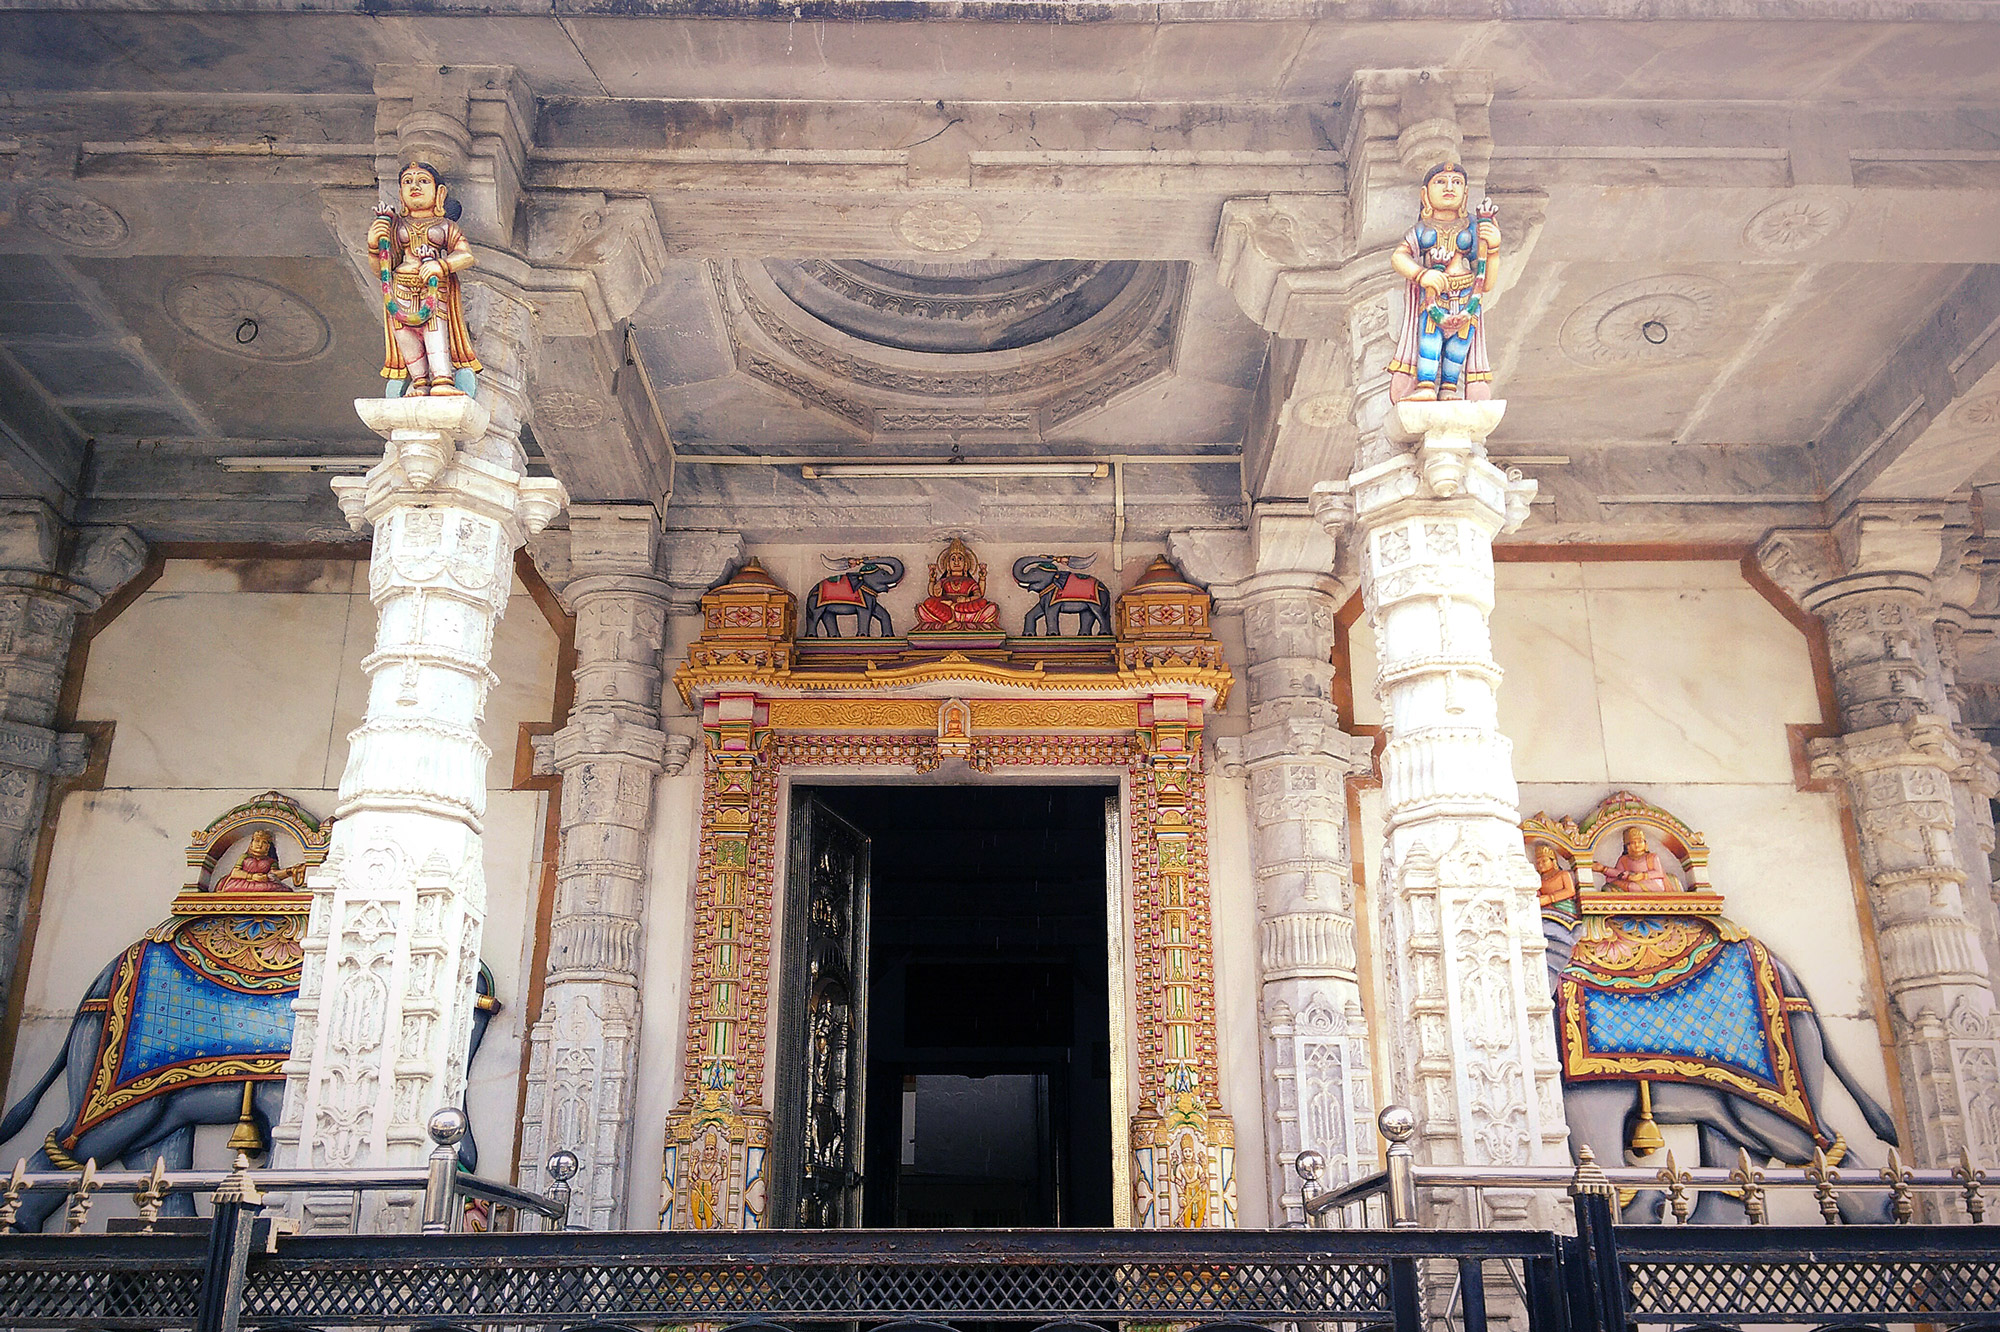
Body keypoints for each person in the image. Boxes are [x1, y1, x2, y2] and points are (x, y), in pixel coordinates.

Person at [1388, 162, 1500, 404]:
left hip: (1467, 297)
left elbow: (1487, 282)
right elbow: (1398, 257)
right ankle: (1426, 385)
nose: (1450, 187)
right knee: (1429, 340)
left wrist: (1494, 249)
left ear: (1466, 193)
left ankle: (1449, 389)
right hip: (1433, 296)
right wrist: (1421, 274)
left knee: (1458, 347)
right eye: (1441, 182)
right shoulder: (1422, 229)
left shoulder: (1473, 227)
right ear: (1425, 194)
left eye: (1457, 183)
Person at [367, 162, 481, 398]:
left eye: (423, 181)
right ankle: (419, 382)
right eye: (408, 182)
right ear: (400, 193)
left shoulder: (445, 226)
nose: (415, 186)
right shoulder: (396, 226)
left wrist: (441, 265)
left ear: (439, 193)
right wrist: (373, 244)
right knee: (405, 336)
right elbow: (381, 269)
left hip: (433, 289)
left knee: (435, 332)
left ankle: (441, 379)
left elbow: (466, 255)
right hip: (399, 290)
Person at [915, 538, 1001, 630]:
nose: (956, 562)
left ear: (965, 564)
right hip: (946, 607)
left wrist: (967, 598)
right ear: (948, 565)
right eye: (953, 559)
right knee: (927, 603)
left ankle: (950, 617)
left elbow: (979, 595)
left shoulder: (969, 581)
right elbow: (933, 594)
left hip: (963, 607)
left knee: (991, 607)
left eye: (960, 558)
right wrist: (932, 580)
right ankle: (951, 620)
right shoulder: (944, 581)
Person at [213, 829, 307, 892]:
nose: (260, 845)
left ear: (268, 847)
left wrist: (290, 871)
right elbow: (235, 872)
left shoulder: (270, 861)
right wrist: (252, 876)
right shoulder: (245, 857)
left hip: (264, 884)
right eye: (257, 841)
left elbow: (274, 875)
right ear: (251, 844)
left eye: (264, 842)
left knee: (282, 890)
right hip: (242, 884)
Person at [1598, 826, 1681, 894]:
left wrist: (1641, 876)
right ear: (1627, 846)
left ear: (1645, 844)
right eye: (1633, 843)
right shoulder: (1624, 859)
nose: (1637, 845)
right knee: (1613, 885)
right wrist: (1603, 869)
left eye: (1640, 842)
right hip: (1631, 881)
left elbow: (1659, 873)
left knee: (1632, 887)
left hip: (1651, 882)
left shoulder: (1652, 857)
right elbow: (1619, 874)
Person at [1534, 843, 1578, 917]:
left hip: (1564, 909)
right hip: (1547, 910)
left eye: (1544, 861)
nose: (1540, 865)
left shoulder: (1563, 874)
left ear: (1553, 861)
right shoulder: (1539, 880)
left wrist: (1550, 898)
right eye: (1538, 863)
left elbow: (1570, 891)